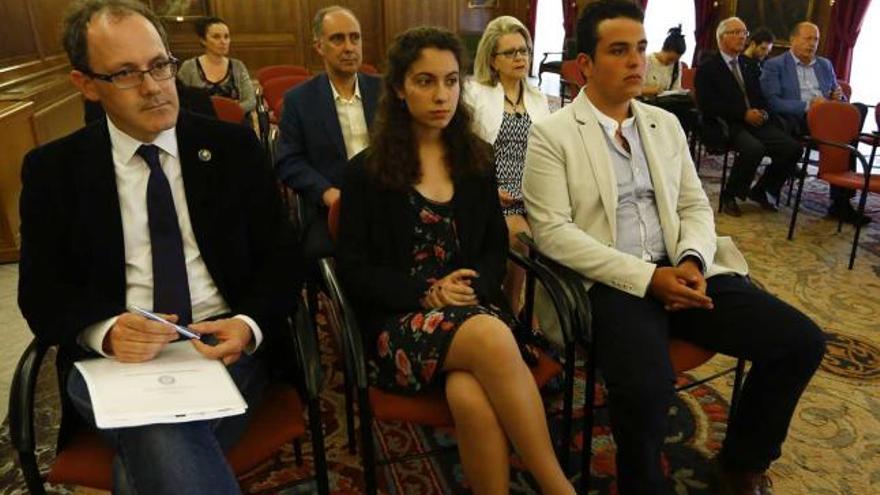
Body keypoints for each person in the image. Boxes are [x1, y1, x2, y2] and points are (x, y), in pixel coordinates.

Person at [522, 2, 825, 494]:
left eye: (640, 49)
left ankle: (741, 462)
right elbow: (554, 233)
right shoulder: (552, 135)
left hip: (682, 267)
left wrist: (690, 261)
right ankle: (641, 484)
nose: (637, 61)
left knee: (801, 342)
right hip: (610, 281)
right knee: (645, 385)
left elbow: (695, 206)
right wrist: (647, 279)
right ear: (586, 66)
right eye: (618, 51)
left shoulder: (663, 125)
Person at [17, 1, 298, 493]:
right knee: (161, 432)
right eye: (125, 73)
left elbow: (283, 261)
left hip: (220, 348)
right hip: (114, 364)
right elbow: (40, 294)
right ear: (85, 84)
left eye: (160, 65)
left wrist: (247, 326)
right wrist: (103, 332)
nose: (153, 87)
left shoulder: (233, 150)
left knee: (147, 454)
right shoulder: (54, 171)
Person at [336, 27, 575, 495]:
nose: (442, 94)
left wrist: (470, 288)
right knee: (487, 334)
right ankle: (557, 487)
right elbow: (354, 270)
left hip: (472, 311)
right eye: (426, 81)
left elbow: (492, 248)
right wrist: (426, 293)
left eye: (450, 81)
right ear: (400, 89)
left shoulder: (476, 159)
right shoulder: (365, 173)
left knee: (470, 395)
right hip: (400, 321)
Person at [275, 5, 381, 260]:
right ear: (319, 46)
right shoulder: (299, 100)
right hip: (333, 203)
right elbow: (289, 161)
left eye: (355, 38)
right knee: (319, 254)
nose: (349, 47)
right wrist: (328, 194)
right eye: (337, 39)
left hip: (386, 199)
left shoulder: (385, 91)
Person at [466, 15, 550, 312]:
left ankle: (543, 313)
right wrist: (492, 190)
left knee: (563, 235)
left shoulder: (539, 98)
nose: (520, 58)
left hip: (534, 191)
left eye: (524, 50)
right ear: (492, 59)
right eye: (510, 52)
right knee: (520, 237)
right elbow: (466, 153)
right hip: (494, 191)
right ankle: (512, 309)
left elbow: (549, 152)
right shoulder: (474, 94)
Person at [760, 22, 869, 226]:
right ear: (793, 40)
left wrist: (839, 97)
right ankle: (841, 202)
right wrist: (808, 105)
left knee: (858, 109)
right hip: (799, 120)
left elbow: (837, 96)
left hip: (828, 120)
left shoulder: (824, 65)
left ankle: (840, 201)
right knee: (845, 136)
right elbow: (773, 102)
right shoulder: (775, 65)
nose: (812, 44)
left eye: (816, 39)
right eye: (807, 38)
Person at [695, 17, 802, 216]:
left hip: (756, 121)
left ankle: (762, 189)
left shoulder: (749, 64)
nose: (741, 37)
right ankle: (730, 195)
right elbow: (708, 105)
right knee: (754, 148)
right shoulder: (708, 67)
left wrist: (763, 112)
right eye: (735, 32)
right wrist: (743, 113)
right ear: (721, 37)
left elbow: (760, 96)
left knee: (793, 148)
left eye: (744, 32)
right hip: (728, 122)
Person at [177, 16, 256, 114]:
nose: (223, 42)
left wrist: (227, 111)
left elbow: (251, 101)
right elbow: (179, 100)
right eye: (216, 37)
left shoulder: (238, 66)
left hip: (233, 121)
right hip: (201, 123)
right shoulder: (189, 67)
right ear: (203, 40)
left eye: (226, 37)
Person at [642, 25, 686, 96]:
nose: (672, 63)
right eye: (670, 59)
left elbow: (676, 89)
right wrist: (654, 90)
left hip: (664, 103)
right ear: (663, 49)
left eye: (676, 60)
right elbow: (634, 89)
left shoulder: (677, 65)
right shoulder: (647, 61)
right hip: (644, 103)